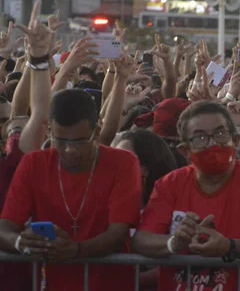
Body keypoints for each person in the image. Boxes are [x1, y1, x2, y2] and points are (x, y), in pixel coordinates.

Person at [132, 101, 240, 291]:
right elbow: (142, 239)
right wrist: (174, 242)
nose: (213, 144)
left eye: (220, 134)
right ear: (185, 151)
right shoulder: (170, 183)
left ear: (236, 140)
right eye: (199, 138)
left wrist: (229, 247)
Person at [0, 88, 142, 291]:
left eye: (80, 141)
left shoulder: (124, 163)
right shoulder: (33, 163)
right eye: (61, 140)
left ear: (97, 131)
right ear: (49, 130)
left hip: (112, 283)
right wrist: (20, 243)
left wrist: (77, 249)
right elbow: (5, 228)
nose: (70, 149)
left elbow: (118, 234)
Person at [114, 129, 180, 208]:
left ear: (147, 168)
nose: (114, 168)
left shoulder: (171, 212)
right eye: (115, 160)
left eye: (123, 161)